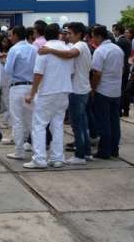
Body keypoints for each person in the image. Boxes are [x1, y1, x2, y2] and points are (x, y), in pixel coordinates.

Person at [39, 22, 93, 164]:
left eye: (70, 33)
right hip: (82, 89)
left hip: (77, 90)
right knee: (82, 122)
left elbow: (69, 55)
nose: (67, 36)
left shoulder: (79, 45)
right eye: (66, 33)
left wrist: (50, 50)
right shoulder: (82, 45)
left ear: (79, 34)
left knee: (77, 125)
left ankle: (80, 155)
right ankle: (86, 152)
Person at [23, 24, 74, 169]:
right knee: (57, 125)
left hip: (48, 92)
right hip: (64, 90)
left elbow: (38, 73)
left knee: (39, 125)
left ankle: (39, 158)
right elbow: (71, 71)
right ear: (59, 34)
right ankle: (57, 158)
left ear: (44, 35)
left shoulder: (44, 50)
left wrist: (32, 93)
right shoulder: (67, 49)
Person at [90, 25, 124, 159]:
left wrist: (93, 89)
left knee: (103, 122)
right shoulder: (118, 50)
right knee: (114, 121)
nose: (92, 40)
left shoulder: (100, 51)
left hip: (103, 91)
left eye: (93, 37)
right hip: (116, 91)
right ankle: (114, 149)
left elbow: (97, 73)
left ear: (99, 37)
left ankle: (104, 151)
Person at [4, 25, 37, 160]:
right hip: (31, 87)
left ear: (16, 35)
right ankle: (37, 151)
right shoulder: (34, 49)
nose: (10, 38)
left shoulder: (14, 49)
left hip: (17, 87)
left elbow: (8, 70)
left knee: (17, 120)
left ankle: (19, 151)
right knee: (32, 122)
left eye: (11, 35)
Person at [112, 23, 132, 117]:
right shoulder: (128, 40)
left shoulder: (120, 42)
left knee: (120, 89)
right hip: (126, 65)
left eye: (114, 30)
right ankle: (126, 109)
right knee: (125, 89)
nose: (113, 32)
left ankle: (119, 110)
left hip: (121, 67)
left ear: (117, 31)